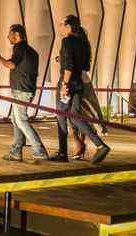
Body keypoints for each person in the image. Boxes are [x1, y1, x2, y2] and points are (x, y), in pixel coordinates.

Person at [50, 15, 110, 164]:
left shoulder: (67, 41)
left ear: (69, 26)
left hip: (68, 84)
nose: (60, 26)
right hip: (78, 84)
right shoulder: (83, 43)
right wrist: (63, 59)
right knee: (75, 116)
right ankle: (100, 145)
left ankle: (63, 153)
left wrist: (64, 85)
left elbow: (69, 66)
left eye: (62, 24)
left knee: (61, 116)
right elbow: (84, 66)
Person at [0, 24, 49, 161]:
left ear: (17, 35)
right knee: (15, 119)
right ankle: (16, 151)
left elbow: (11, 64)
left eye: (10, 34)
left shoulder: (20, 48)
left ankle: (39, 150)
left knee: (21, 120)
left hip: (21, 90)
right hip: (26, 88)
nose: (8, 37)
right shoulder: (31, 51)